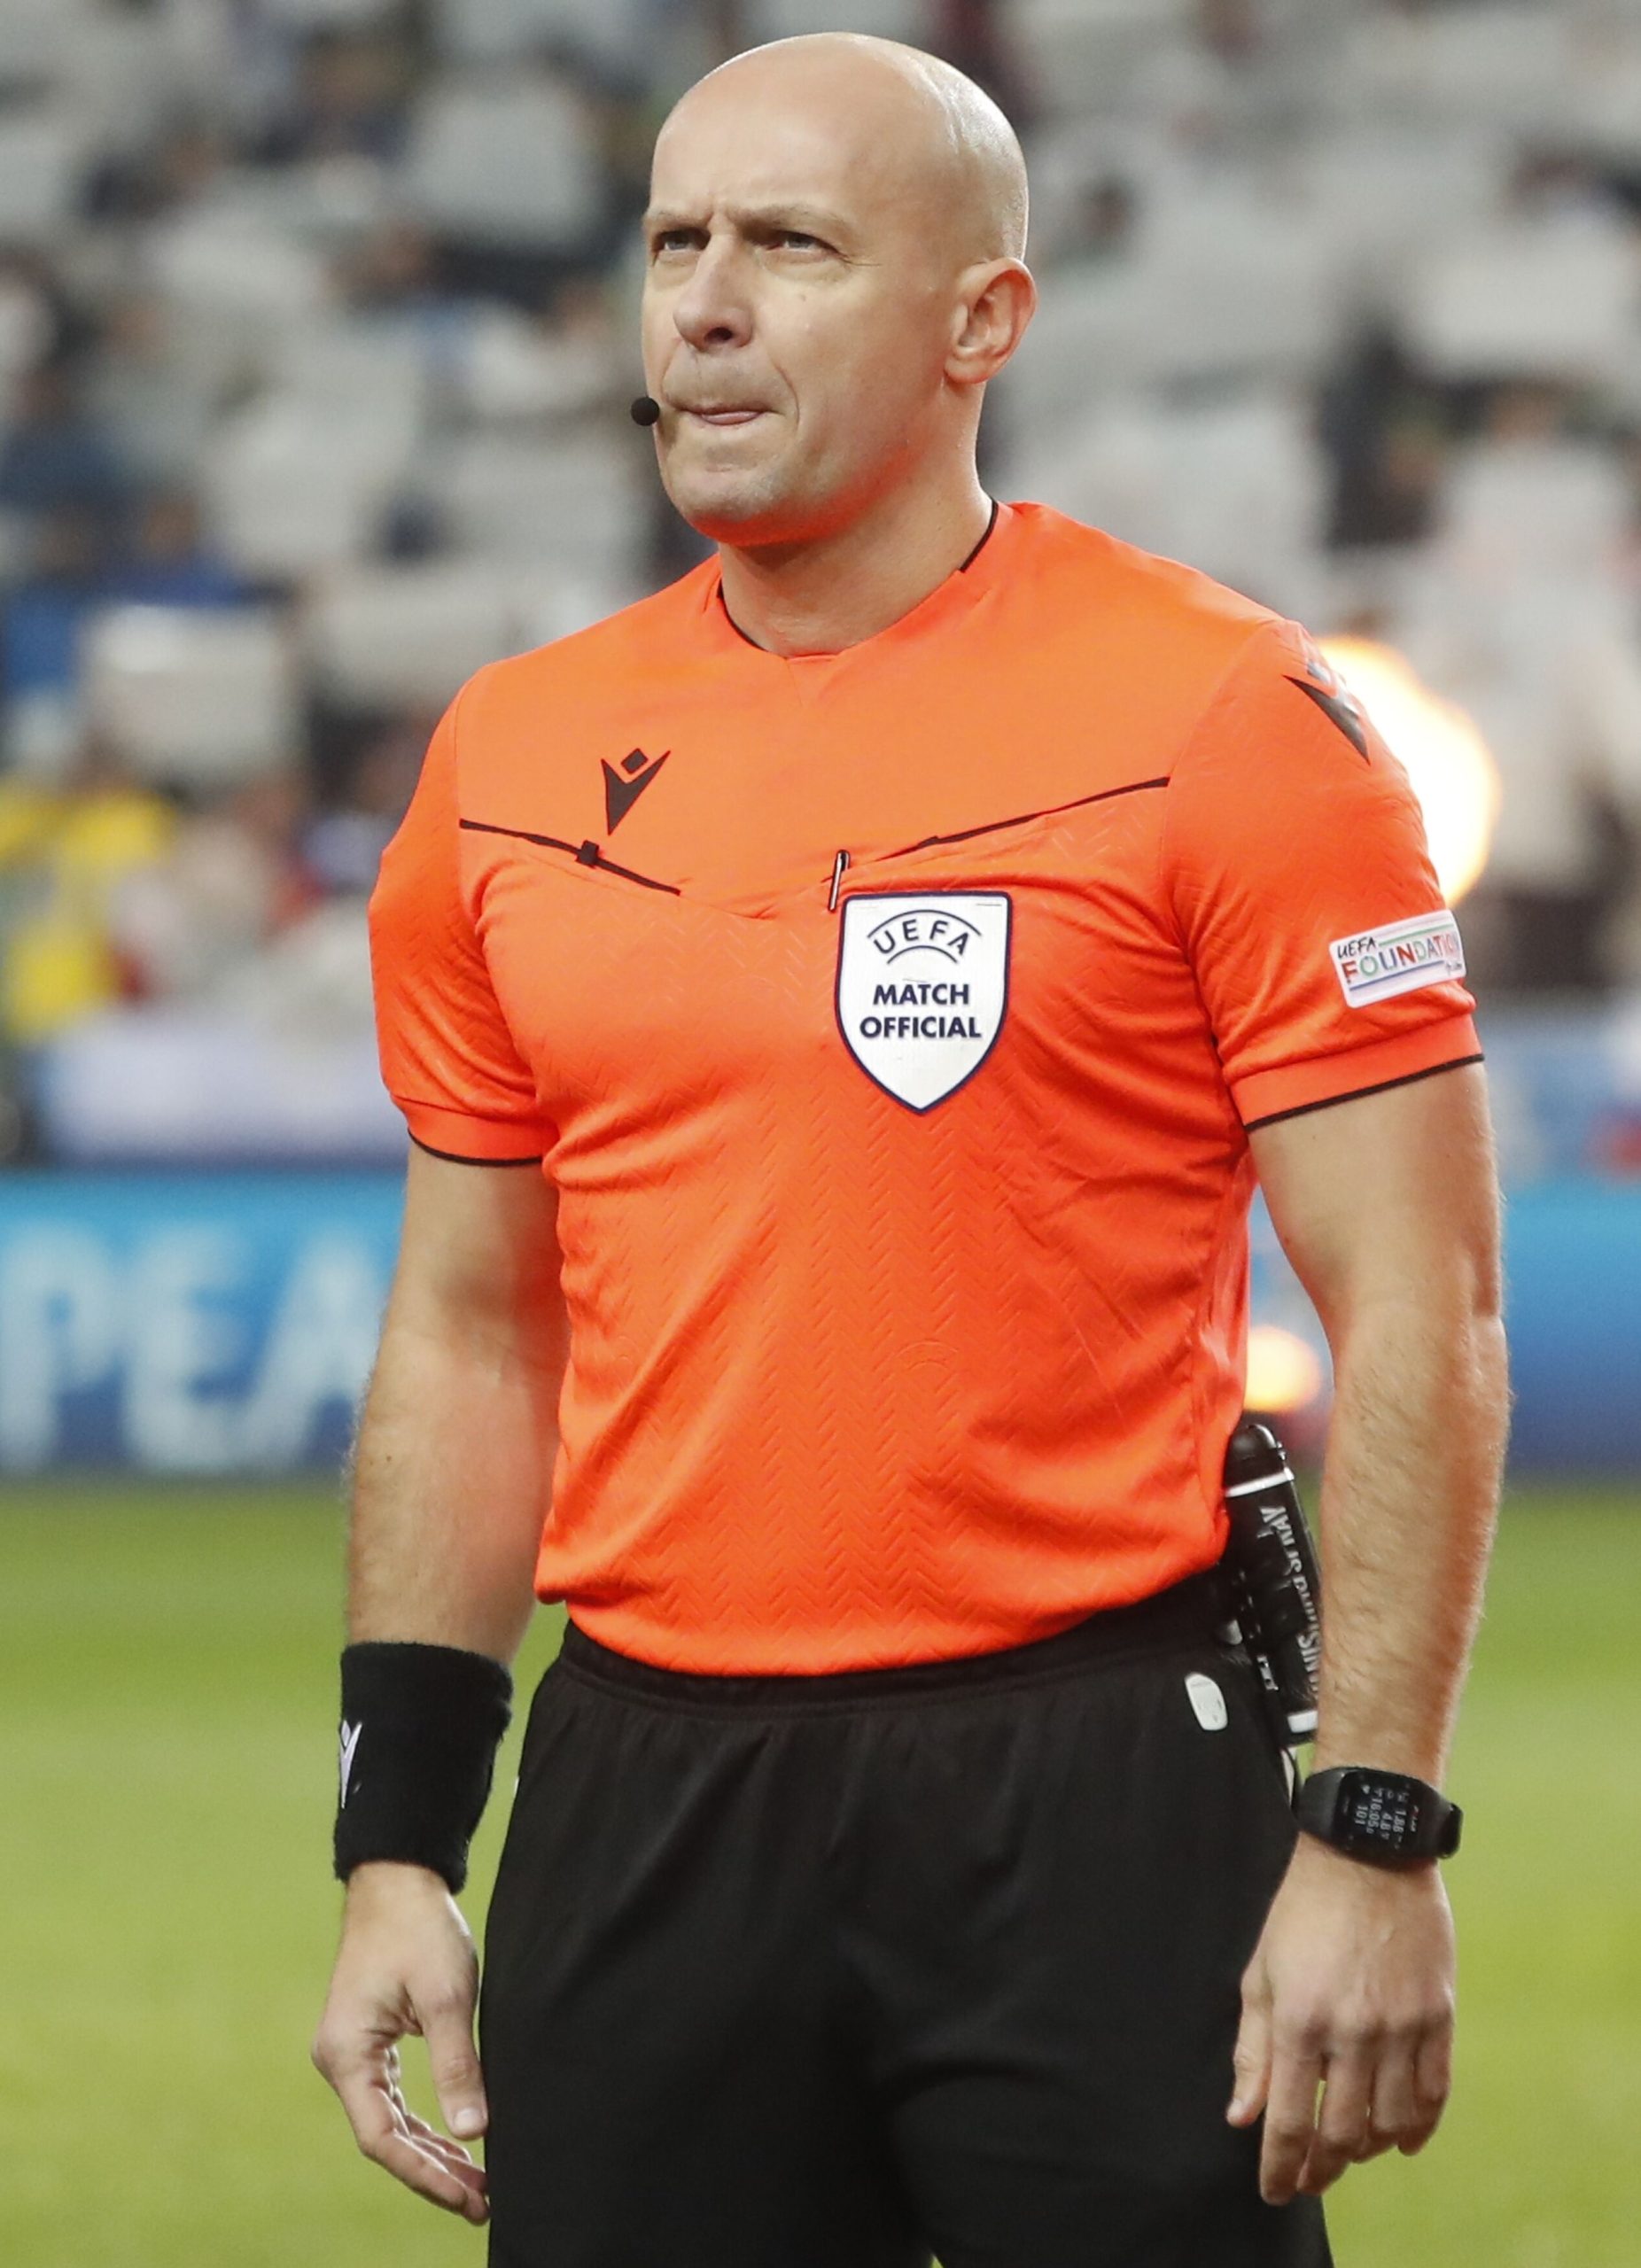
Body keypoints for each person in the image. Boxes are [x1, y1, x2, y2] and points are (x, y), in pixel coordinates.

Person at [312, 35, 1509, 2268]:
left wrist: (1371, 1825)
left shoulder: (1228, 720)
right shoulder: (508, 757)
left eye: (790, 245)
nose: (702, 304)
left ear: (982, 321)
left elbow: (1416, 1306)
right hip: (643, 1788)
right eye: (673, 240)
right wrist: (398, 1836)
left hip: (1095, 1778)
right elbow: (473, 1332)